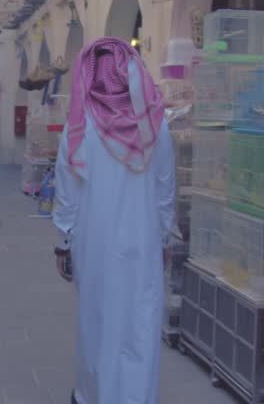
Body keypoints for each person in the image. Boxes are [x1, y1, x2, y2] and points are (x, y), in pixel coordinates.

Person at [51, 37, 175, 404]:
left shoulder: (80, 128)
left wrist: (64, 242)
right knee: (139, 326)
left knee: (99, 322)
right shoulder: (157, 126)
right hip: (143, 243)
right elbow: (166, 189)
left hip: (96, 244)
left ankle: (93, 395)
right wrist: (165, 239)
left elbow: (67, 191)